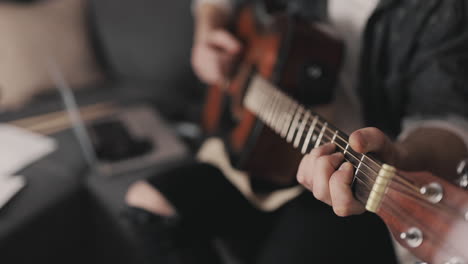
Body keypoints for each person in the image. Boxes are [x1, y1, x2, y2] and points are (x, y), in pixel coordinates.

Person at [124, 0, 468, 263]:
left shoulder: (444, 10)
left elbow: (447, 122)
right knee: (147, 204)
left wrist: (399, 154)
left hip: (344, 185)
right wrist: (208, 30)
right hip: (255, 153)